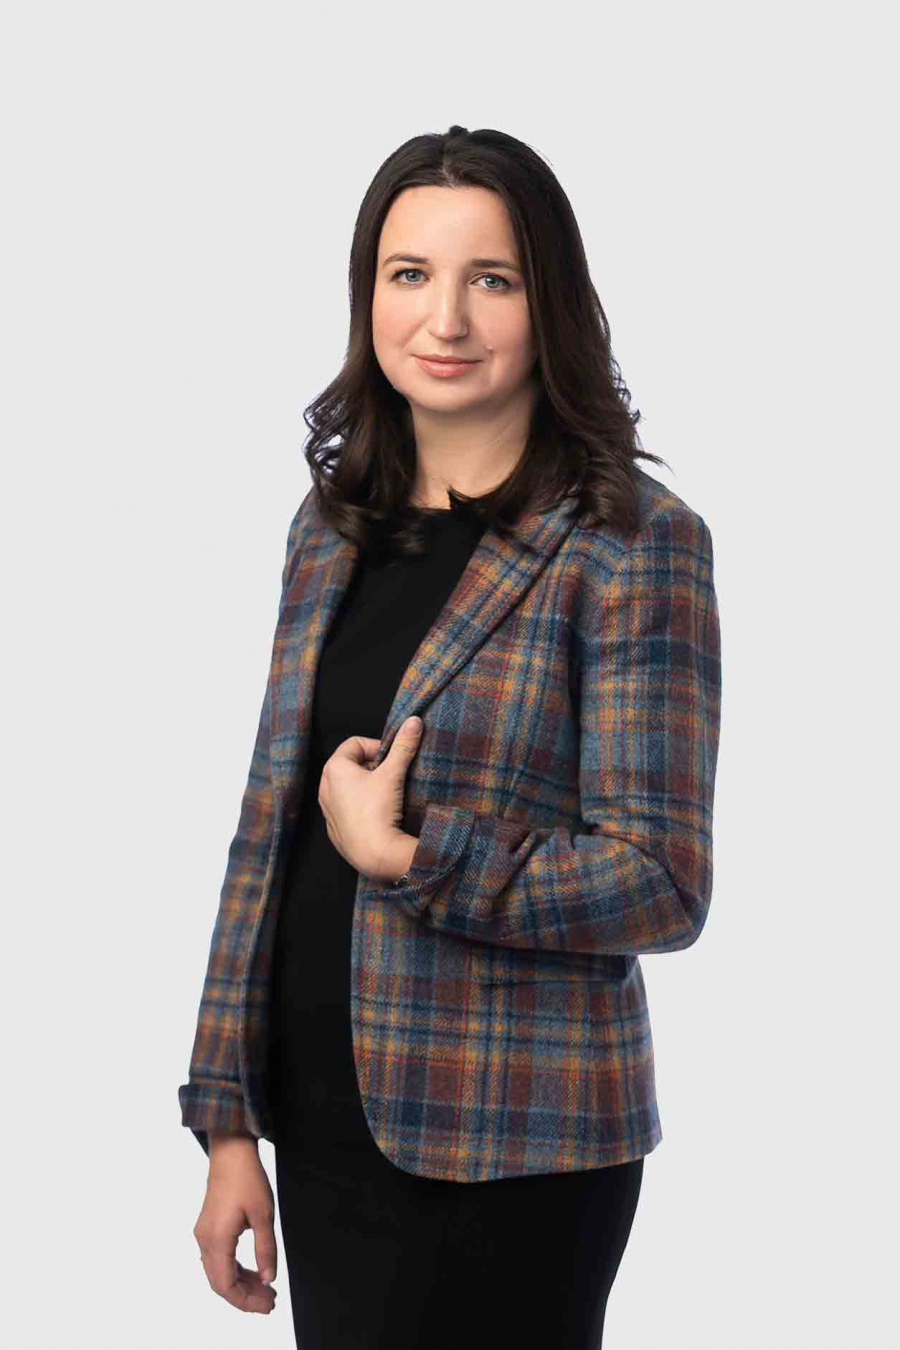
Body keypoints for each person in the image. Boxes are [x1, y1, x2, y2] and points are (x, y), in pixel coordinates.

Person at [179, 124, 722, 1349]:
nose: (447, 319)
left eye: (494, 280)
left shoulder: (633, 542)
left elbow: (662, 880)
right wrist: (226, 1120)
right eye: (410, 273)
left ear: (551, 304)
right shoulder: (331, 527)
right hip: (321, 1126)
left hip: (515, 1147)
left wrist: (413, 857)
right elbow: (267, 836)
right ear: (367, 294)